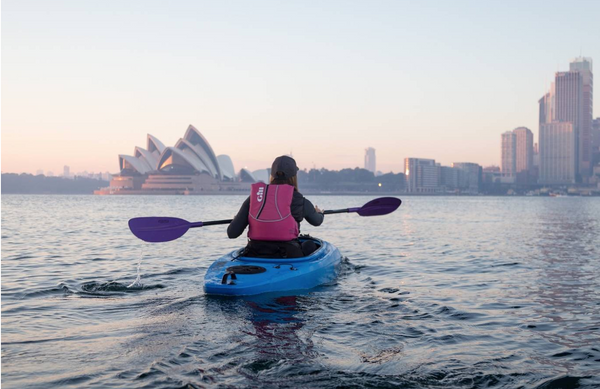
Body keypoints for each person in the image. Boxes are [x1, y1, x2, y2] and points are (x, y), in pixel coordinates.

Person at [227, 155, 324, 258]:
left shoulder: (255, 198)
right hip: (288, 255)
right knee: (310, 245)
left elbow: (232, 233)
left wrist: (237, 220)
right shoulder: (299, 200)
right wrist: (319, 213)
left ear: (272, 175)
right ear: (294, 177)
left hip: (255, 253)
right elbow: (317, 221)